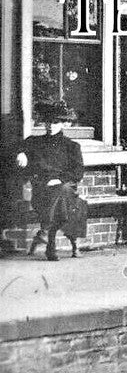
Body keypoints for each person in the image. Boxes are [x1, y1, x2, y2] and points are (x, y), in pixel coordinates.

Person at [13, 101, 84, 260]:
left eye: (55, 122)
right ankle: (49, 242)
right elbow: (13, 147)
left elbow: (78, 172)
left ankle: (45, 233)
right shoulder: (34, 142)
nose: (50, 125)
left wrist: (59, 180)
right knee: (63, 199)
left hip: (64, 187)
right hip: (42, 191)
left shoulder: (72, 146)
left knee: (63, 191)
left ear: (63, 123)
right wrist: (21, 153)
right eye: (48, 121)